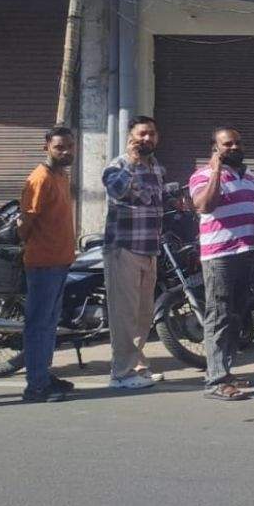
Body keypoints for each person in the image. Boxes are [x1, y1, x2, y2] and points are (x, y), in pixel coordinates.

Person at [188, 126, 254, 402]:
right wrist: (217, 172)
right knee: (219, 315)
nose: (234, 147)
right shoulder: (202, 176)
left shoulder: (250, 177)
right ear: (215, 148)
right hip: (220, 256)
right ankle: (215, 380)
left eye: (237, 143)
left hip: (245, 254)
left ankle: (226, 370)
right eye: (227, 144)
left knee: (236, 316)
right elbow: (204, 206)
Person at [101, 116, 168, 391]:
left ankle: (138, 366)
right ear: (131, 137)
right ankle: (120, 373)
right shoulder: (117, 165)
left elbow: (156, 202)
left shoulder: (156, 168)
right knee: (124, 315)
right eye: (141, 134)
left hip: (149, 249)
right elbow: (116, 189)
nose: (147, 139)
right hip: (124, 249)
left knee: (143, 315)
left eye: (151, 134)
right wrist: (131, 160)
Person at [17, 127, 78, 404]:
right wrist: (34, 244)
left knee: (49, 324)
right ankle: (35, 386)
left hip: (61, 260)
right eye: (59, 148)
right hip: (43, 262)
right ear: (47, 148)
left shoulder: (61, 176)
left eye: (69, 147)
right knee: (39, 325)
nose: (65, 152)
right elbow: (25, 223)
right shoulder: (40, 178)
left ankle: (43, 375)